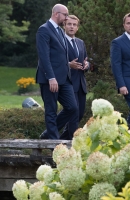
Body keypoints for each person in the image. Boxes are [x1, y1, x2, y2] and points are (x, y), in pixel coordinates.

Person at [36, 4, 78, 139]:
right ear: (56, 14)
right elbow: (44, 57)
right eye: (65, 15)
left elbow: (59, 56)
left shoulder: (60, 31)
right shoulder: (44, 30)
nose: (66, 18)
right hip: (50, 79)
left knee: (72, 108)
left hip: (64, 79)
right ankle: (54, 145)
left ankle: (48, 134)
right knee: (51, 111)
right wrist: (51, 77)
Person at [60, 15, 89, 140]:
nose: (71, 27)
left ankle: (61, 142)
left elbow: (86, 61)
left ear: (77, 28)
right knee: (73, 114)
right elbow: (56, 62)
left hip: (81, 84)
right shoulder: (60, 41)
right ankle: (72, 145)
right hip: (68, 83)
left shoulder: (80, 43)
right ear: (64, 26)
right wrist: (68, 65)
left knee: (79, 114)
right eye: (69, 24)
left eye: (74, 25)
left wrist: (87, 65)